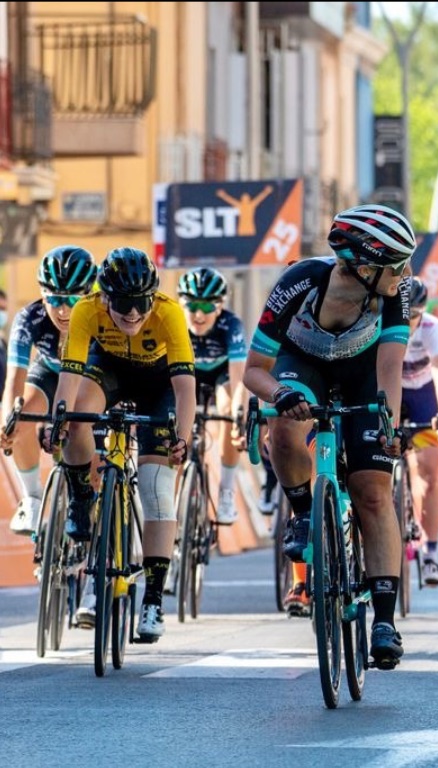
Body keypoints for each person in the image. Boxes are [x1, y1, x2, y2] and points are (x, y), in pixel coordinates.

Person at [241, 203, 411, 670]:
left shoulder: (398, 292)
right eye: (397, 263)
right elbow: (254, 372)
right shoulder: (299, 283)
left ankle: (383, 621)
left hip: (362, 372)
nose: (406, 272)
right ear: (360, 264)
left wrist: (390, 425)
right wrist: (278, 394)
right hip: (301, 366)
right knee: (284, 423)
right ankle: (302, 513)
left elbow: (390, 366)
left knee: (374, 495)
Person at [46, 247, 196, 641]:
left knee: (155, 487)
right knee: (78, 420)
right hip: (108, 368)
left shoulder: (169, 312)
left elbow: (184, 389)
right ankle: (82, 498)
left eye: (141, 304)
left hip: (158, 383)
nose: (133, 314)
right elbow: (69, 378)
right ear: (105, 298)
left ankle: (153, 601)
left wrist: (182, 437)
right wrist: (58, 420)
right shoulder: (85, 309)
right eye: (124, 305)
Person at [3, 246, 98, 535]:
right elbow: (14, 379)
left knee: (91, 446)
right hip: (49, 373)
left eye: (71, 299)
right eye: (54, 299)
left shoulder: (102, 315)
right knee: (17, 420)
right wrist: (9, 421)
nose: (62, 309)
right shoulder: (29, 318)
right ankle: (31, 498)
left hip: (90, 376)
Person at [176, 267, 247, 525]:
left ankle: (226, 491)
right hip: (187, 376)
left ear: (220, 307)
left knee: (230, 405)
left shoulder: (231, 325)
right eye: (192, 305)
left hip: (221, 376)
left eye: (207, 307)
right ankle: (169, 507)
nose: (198, 314)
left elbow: (239, 380)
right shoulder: (174, 323)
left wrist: (238, 416)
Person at [400, 276, 438, 587]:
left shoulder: (432, 328)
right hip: (392, 389)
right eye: (405, 315)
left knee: (431, 471)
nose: (409, 323)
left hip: (423, 396)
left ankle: (430, 553)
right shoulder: (382, 320)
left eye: (414, 317)